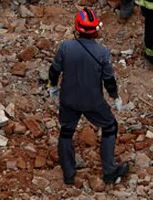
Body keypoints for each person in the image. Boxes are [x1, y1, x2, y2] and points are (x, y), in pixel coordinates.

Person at [48, 9, 129, 186]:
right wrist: (115, 96)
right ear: (95, 30)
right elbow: (109, 79)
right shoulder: (102, 52)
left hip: (68, 99)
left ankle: (69, 174)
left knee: (66, 132)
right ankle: (109, 170)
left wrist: (53, 87)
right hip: (93, 101)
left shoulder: (65, 47)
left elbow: (54, 71)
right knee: (110, 126)